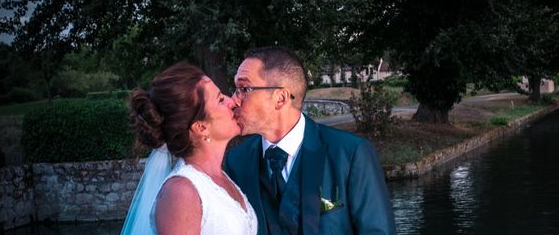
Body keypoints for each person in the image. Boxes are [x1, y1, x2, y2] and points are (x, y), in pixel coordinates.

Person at [225, 46, 396, 235]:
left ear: (280, 98)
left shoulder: (350, 154)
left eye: (243, 89)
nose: (233, 100)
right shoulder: (236, 162)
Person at [120, 62, 257, 235]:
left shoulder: (222, 177)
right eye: (220, 99)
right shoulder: (181, 192)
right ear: (200, 127)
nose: (232, 101)